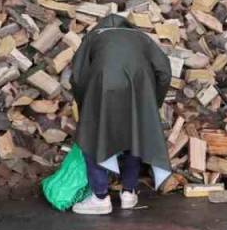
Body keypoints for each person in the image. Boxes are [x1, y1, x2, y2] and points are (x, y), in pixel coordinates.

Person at [69, 13, 173, 215]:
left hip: (102, 86)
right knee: (135, 133)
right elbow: (164, 71)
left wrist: (86, 106)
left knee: (92, 133)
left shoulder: (94, 35)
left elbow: (77, 76)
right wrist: (153, 101)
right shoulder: (141, 37)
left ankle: (100, 196)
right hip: (140, 89)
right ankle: (128, 192)